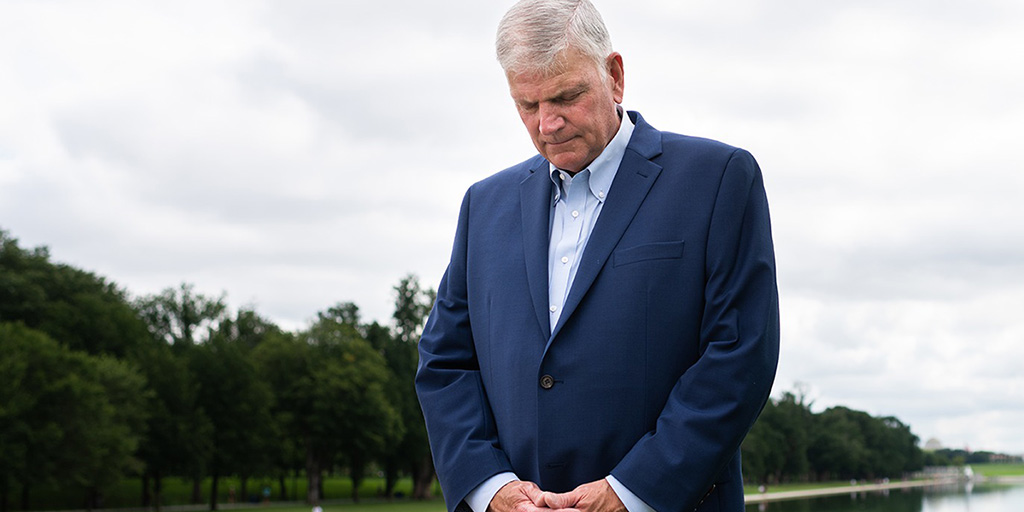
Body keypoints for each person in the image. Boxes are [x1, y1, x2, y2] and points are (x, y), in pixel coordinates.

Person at [414, 1, 780, 511]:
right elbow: (445, 362)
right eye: (527, 104)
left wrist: (633, 491)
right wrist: (490, 486)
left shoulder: (718, 178)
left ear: (614, 76)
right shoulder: (483, 206)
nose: (548, 124)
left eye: (567, 96)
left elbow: (739, 356)